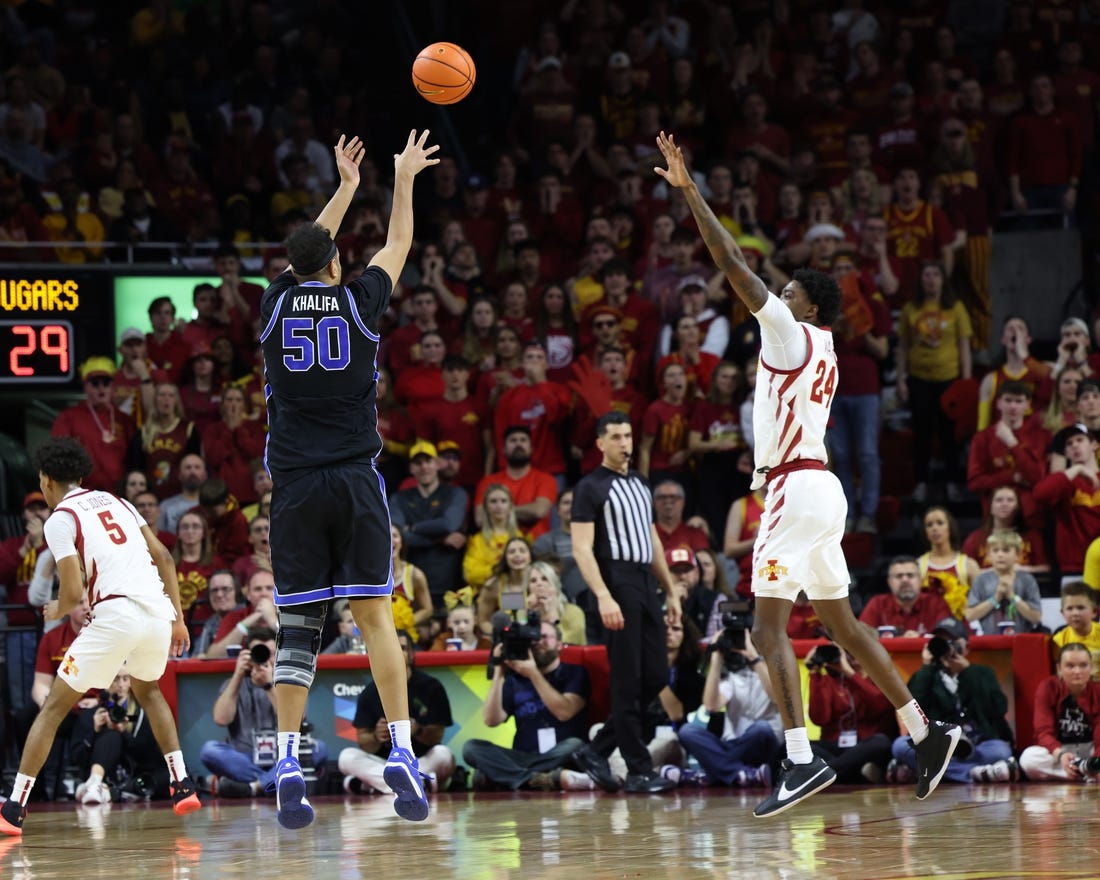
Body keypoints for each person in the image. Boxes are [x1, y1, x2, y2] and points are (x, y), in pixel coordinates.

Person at [654, 130, 961, 818]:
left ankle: (799, 760)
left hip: (795, 488)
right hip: (821, 488)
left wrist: (690, 191)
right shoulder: (818, 344)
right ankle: (926, 730)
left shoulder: (791, 333)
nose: (775, 294)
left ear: (808, 307)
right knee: (844, 626)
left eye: (786, 289)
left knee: (766, 632)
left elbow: (733, 264)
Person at [257, 130, 438, 828]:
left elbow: (307, 252)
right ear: (337, 265)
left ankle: (286, 760)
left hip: (296, 488)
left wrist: (343, 188)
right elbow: (398, 244)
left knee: (299, 627)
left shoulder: (274, 306)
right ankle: (400, 749)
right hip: (357, 481)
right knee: (375, 619)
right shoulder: (360, 301)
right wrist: (401, 178)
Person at [0, 437, 200, 837]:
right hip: (157, 613)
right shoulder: (118, 501)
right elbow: (163, 556)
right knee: (150, 693)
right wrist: (178, 619)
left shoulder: (60, 518)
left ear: (46, 480)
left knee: (53, 709)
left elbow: (73, 592)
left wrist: (57, 608)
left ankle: (14, 808)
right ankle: (182, 783)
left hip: (116, 614)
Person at [570, 411, 683, 794]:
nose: (624, 442)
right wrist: (603, 595)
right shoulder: (590, 487)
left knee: (654, 676)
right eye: (616, 436)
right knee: (627, 680)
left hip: (645, 581)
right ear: (600, 443)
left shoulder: (640, 483)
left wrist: (669, 590)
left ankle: (597, 750)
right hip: (615, 579)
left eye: (628, 435)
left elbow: (653, 542)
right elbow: (581, 549)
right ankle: (638, 769)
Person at [461, 619, 596, 792]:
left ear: (560, 644)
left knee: (576, 745)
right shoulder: (514, 680)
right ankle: (538, 779)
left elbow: (565, 712)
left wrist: (533, 673)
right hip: (522, 756)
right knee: (472, 748)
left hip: (560, 753)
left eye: (545, 637)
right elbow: (490, 720)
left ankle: (505, 777)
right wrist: (498, 673)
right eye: (533, 638)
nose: (539, 641)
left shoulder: (575, 672)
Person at [200, 625, 329, 798]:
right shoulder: (234, 684)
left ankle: (253, 787)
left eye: (270, 652)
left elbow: (298, 720)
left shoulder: (289, 684)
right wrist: (238, 675)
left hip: (281, 757)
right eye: (259, 652)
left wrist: (269, 685)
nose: (265, 658)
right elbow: (221, 719)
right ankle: (269, 783)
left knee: (318, 749)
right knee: (210, 750)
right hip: (245, 757)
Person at [889, 618, 1017, 785]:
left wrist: (967, 672)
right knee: (900, 746)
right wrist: (927, 667)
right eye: (941, 642)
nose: (947, 646)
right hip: (938, 745)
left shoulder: (981, 673)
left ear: (967, 647)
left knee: (1001, 751)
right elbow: (913, 712)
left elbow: (998, 709)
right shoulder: (927, 676)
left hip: (977, 744)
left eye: (952, 641)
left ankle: (924, 771)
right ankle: (973, 774)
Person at [338, 629, 455, 795]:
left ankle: (375, 785)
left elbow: (437, 736)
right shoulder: (370, 692)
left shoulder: (431, 687)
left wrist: (418, 730)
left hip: (421, 759)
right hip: (384, 762)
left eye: (403, 648)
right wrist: (376, 737)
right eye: (391, 649)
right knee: (347, 757)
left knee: (443, 755)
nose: (397, 653)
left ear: (412, 654)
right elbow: (363, 741)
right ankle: (417, 783)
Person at [677, 628, 781, 789]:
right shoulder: (734, 677)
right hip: (734, 745)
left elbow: (777, 697)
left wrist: (754, 658)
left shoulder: (776, 672)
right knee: (687, 731)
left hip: (766, 745)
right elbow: (711, 706)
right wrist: (716, 659)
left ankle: (711, 773)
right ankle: (743, 773)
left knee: (761, 728)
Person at [389, 440, 469, 606]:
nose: (424, 467)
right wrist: (441, 539)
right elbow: (399, 536)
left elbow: (448, 525)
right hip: (410, 582)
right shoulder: (399, 498)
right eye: (418, 463)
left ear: (438, 464)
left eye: (428, 461)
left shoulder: (456, 494)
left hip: (448, 580)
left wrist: (413, 528)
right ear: (411, 468)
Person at [806, 642, 897, 784]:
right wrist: (814, 673)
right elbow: (819, 719)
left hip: (864, 745)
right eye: (847, 651)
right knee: (799, 746)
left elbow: (881, 705)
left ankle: (825, 774)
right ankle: (854, 775)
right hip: (835, 745)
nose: (851, 655)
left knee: (881, 742)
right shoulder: (828, 680)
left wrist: (850, 673)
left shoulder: (879, 676)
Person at [1019, 643, 1100, 781]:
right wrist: (1060, 754)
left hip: (1091, 749)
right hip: (1059, 750)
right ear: (1059, 669)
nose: (1077, 671)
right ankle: (1085, 773)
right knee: (1028, 758)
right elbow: (1043, 732)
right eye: (1070, 666)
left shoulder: (1097, 691)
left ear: (1091, 668)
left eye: (1083, 665)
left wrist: (1096, 760)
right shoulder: (1048, 687)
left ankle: (1086, 769)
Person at [964, 530, 1043, 635]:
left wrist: (1012, 596)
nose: (1000, 555)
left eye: (1006, 550)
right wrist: (995, 598)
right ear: (989, 555)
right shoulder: (981, 580)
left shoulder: (1027, 580)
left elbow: (1036, 617)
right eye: (995, 550)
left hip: (1021, 641)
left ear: (1018, 554)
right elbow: (970, 615)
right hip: (990, 642)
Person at [859, 556, 954, 637]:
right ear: (889, 582)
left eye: (910, 575)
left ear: (921, 580)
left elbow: (947, 639)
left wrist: (919, 639)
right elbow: (861, 637)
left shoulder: (936, 604)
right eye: (899, 576)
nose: (905, 580)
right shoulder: (877, 604)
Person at [1050, 582, 1100, 677]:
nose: (1075, 613)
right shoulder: (1058, 641)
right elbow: (1060, 675)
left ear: (1094, 612)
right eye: (1070, 608)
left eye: (1080, 608)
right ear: (1062, 613)